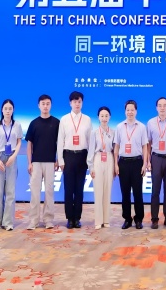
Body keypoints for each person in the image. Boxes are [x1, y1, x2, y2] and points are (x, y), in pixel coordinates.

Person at [57, 91, 92, 229]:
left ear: (82, 103)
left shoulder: (87, 119)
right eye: (75, 101)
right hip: (69, 156)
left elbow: (90, 142)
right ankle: (69, 218)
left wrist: (89, 160)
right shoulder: (64, 119)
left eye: (79, 101)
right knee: (68, 189)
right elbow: (60, 141)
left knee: (79, 189)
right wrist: (60, 160)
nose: (77, 104)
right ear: (70, 103)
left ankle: (77, 218)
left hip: (82, 156)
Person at [113, 100, 149, 230]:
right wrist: (116, 164)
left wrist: (145, 163)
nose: (130, 112)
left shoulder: (141, 127)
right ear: (125, 111)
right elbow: (116, 147)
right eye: (127, 110)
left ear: (136, 111)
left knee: (138, 193)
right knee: (125, 193)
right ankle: (127, 219)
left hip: (137, 162)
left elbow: (145, 146)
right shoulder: (119, 127)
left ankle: (139, 219)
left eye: (132, 110)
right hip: (123, 162)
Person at [26, 94, 60, 230]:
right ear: (38, 106)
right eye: (43, 104)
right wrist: (29, 162)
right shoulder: (34, 123)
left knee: (49, 192)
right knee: (35, 192)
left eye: (48, 104)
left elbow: (60, 143)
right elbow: (29, 145)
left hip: (51, 162)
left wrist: (58, 159)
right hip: (36, 163)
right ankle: (33, 220)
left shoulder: (56, 123)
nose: (45, 106)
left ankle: (48, 220)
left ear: (51, 105)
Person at [0, 99, 23, 231]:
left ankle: (8, 222)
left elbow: (19, 142)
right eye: (6, 108)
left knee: (10, 192)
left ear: (13, 110)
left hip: (12, 157)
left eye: (10, 108)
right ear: (2, 110)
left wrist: (13, 156)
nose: (8, 111)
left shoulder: (17, 125)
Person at [147, 97, 166, 229]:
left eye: (165, 105)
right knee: (155, 191)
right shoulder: (151, 122)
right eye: (160, 105)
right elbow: (148, 143)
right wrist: (148, 160)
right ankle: (154, 219)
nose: (162, 108)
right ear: (156, 108)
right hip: (156, 158)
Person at [87, 106, 115, 229]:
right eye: (102, 116)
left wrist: (115, 165)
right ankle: (98, 220)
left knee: (107, 190)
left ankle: (106, 220)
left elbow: (115, 150)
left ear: (110, 117)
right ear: (98, 117)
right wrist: (91, 166)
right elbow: (91, 150)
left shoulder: (113, 132)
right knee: (98, 190)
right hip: (98, 158)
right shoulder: (94, 133)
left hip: (109, 158)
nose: (104, 118)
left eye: (106, 116)